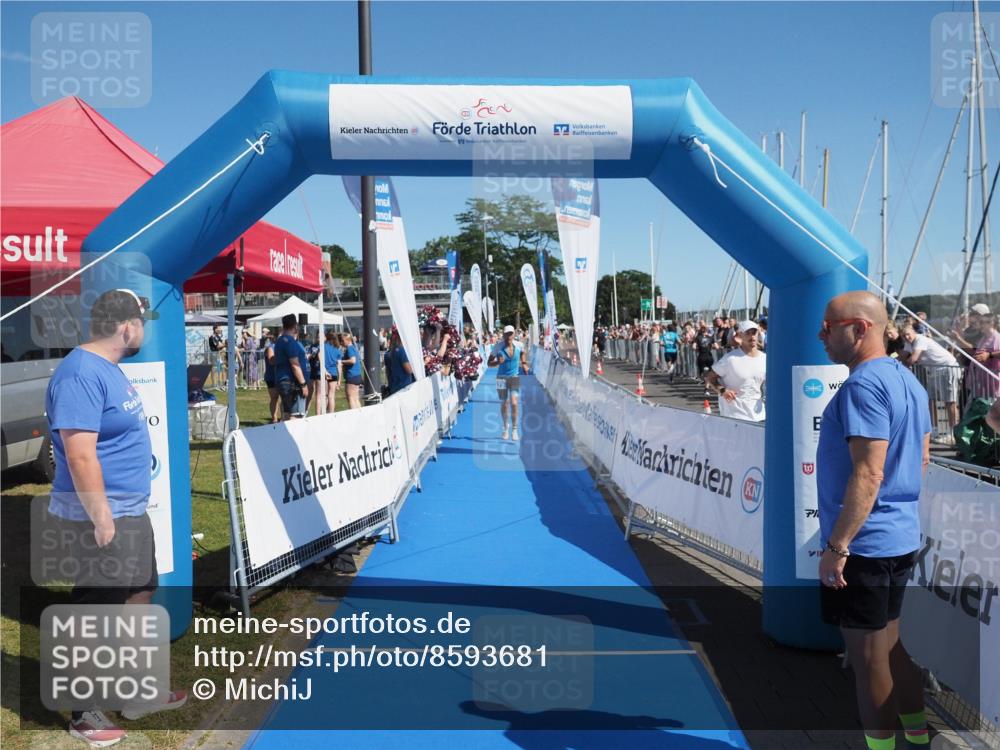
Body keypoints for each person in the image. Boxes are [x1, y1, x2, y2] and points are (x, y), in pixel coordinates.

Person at [45, 289, 186, 746]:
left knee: (139, 593)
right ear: (126, 325)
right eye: (143, 322)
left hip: (128, 511)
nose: (144, 330)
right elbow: (80, 454)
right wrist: (102, 518)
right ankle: (83, 712)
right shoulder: (81, 373)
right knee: (97, 612)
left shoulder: (108, 369)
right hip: (99, 516)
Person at [816, 291, 932, 750]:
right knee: (889, 646)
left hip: (866, 545)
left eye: (829, 326)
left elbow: (869, 472)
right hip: (898, 535)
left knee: (867, 659)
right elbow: (921, 457)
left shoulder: (864, 385)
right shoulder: (909, 380)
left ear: (860, 328)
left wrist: (838, 545)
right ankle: (919, 738)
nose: (821, 334)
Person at [899, 323, 960, 441]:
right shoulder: (908, 343)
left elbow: (913, 359)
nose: (906, 337)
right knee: (930, 400)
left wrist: (899, 366)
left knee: (950, 401)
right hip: (934, 371)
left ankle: (953, 433)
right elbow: (902, 356)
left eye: (908, 334)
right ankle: (934, 429)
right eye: (904, 336)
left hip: (947, 368)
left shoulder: (920, 340)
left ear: (913, 332)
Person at [705, 320, 766, 421]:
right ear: (740, 335)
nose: (752, 336)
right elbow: (710, 378)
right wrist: (723, 391)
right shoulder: (730, 359)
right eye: (748, 333)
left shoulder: (765, 359)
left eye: (754, 332)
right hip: (735, 415)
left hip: (759, 415)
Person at [487, 324, 529, 441]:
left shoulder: (519, 345)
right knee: (504, 403)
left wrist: (524, 364)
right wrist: (497, 363)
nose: (509, 336)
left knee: (514, 403)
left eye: (511, 333)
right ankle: (506, 427)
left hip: (514, 377)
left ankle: (515, 429)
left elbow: (522, 353)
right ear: (504, 334)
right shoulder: (498, 347)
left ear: (514, 334)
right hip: (501, 378)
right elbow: (488, 363)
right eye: (506, 334)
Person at [273, 314, 309, 419]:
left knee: (286, 414)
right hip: (292, 383)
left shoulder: (280, 341)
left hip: (283, 380)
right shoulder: (290, 341)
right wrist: (303, 384)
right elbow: (295, 365)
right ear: (295, 326)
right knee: (296, 416)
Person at [384, 328, 415, 396]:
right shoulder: (401, 351)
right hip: (404, 387)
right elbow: (409, 370)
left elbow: (387, 372)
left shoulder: (387, 353)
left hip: (393, 386)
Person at [341, 331, 363, 409]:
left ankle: (353, 415)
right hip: (357, 375)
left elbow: (353, 360)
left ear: (348, 340)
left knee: (350, 398)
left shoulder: (350, 349)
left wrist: (342, 361)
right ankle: (360, 415)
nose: (341, 343)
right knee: (356, 398)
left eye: (343, 341)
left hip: (352, 376)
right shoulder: (354, 347)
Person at [262, 331, 280, 423]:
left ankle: (283, 418)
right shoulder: (271, 347)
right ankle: (274, 418)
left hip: (280, 376)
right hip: (271, 376)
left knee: (284, 398)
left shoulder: (282, 347)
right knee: (274, 397)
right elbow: (271, 361)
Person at [694, 323, 716, 396]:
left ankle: (706, 387)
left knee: (702, 374)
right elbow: (716, 346)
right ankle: (706, 389)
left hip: (701, 357)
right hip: (709, 356)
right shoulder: (711, 337)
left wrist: (697, 348)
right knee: (708, 373)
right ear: (707, 330)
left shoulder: (698, 337)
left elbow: (693, 347)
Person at [323, 330, 342, 414]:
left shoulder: (323, 346)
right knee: (331, 396)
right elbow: (339, 365)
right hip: (334, 373)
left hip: (323, 372)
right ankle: (331, 413)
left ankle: (323, 413)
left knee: (324, 396)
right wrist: (339, 380)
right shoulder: (338, 350)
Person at [304, 333, 322, 415]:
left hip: (320, 371)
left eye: (320, 337)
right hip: (313, 371)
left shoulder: (325, 346)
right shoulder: (313, 346)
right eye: (317, 337)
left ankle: (318, 414)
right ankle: (305, 411)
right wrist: (312, 355)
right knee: (310, 391)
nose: (318, 338)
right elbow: (307, 356)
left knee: (319, 394)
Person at [207, 325, 224, 389]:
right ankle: (214, 384)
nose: (220, 330)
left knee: (220, 368)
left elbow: (222, 343)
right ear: (215, 329)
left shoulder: (218, 336)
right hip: (214, 353)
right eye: (219, 328)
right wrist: (225, 344)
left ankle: (220, 383)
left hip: (218, 353)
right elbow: (218, 346)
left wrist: (223, 344)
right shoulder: (212, 337)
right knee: (214, 368)